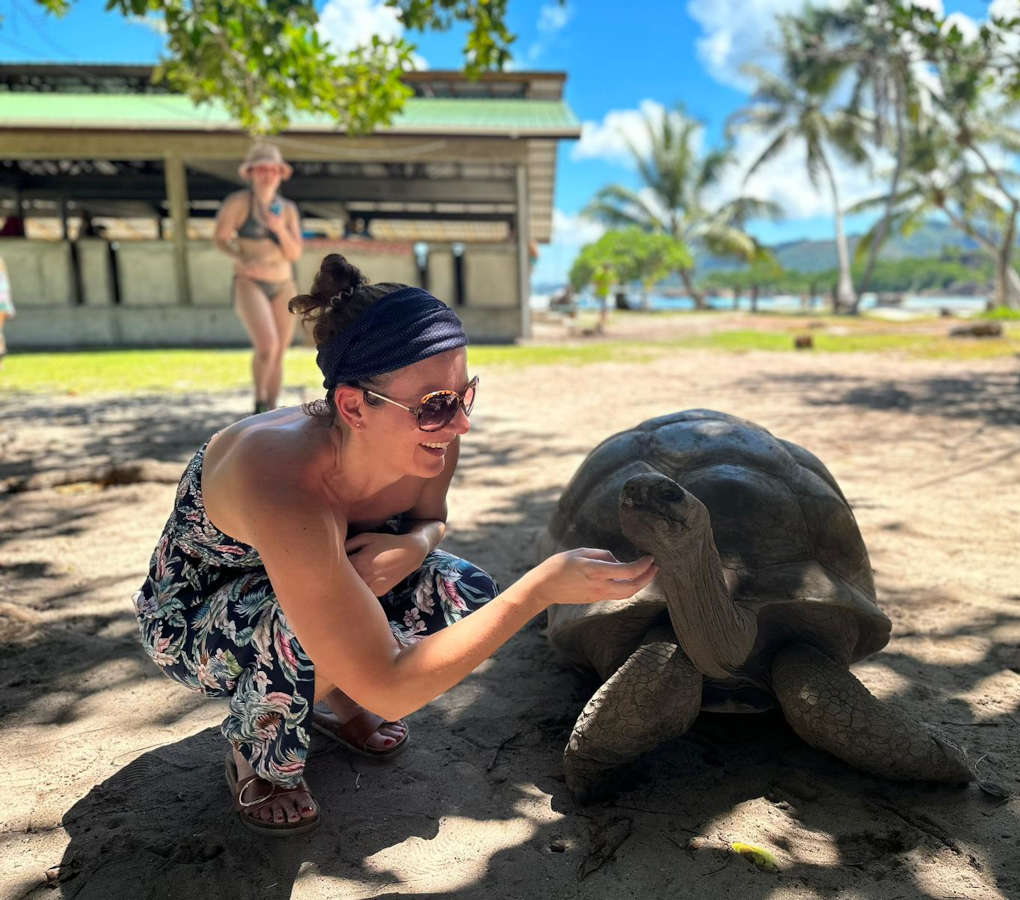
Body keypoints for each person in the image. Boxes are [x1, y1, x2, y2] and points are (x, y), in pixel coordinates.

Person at [132, 254, 657, 837]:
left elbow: (432, 521)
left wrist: (413, 546)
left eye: (466, 395)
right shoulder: (280, 476)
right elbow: (393, 686)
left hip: (322, 577)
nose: (459, 424)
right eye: (435, 404)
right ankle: (258, 755)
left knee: (461, 587)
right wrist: (537, 591)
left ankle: (330, 699)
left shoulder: (429, 441)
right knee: (301, 635)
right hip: (195, 616)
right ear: (354, 406)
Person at [214, 142, 304, 414]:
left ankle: (270, 409)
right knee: (267, 345)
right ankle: (259, 403)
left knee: (279, 352)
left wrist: (279, 229)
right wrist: (240, 258)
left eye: (272, 169)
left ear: (280, 173)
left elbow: (294, 252)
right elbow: (220, 238)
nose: (267, 175)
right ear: (251, 173)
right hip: (250, 282)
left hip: (283, 283)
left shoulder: (286, 210)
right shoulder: (239, 204)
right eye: (261, 169)